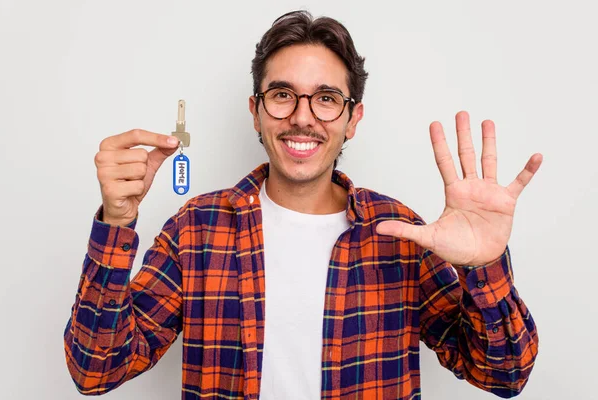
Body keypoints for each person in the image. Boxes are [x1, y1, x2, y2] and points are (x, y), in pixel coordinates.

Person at [64, 10, 542, 400]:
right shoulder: (196, 230)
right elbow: (96, 370)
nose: (301, 117)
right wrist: (116, 223)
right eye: (282, 95)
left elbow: (503, 375)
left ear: (352, 119)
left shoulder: (400, 235)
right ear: (256, 110)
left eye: (327, 99)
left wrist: (486, 266)